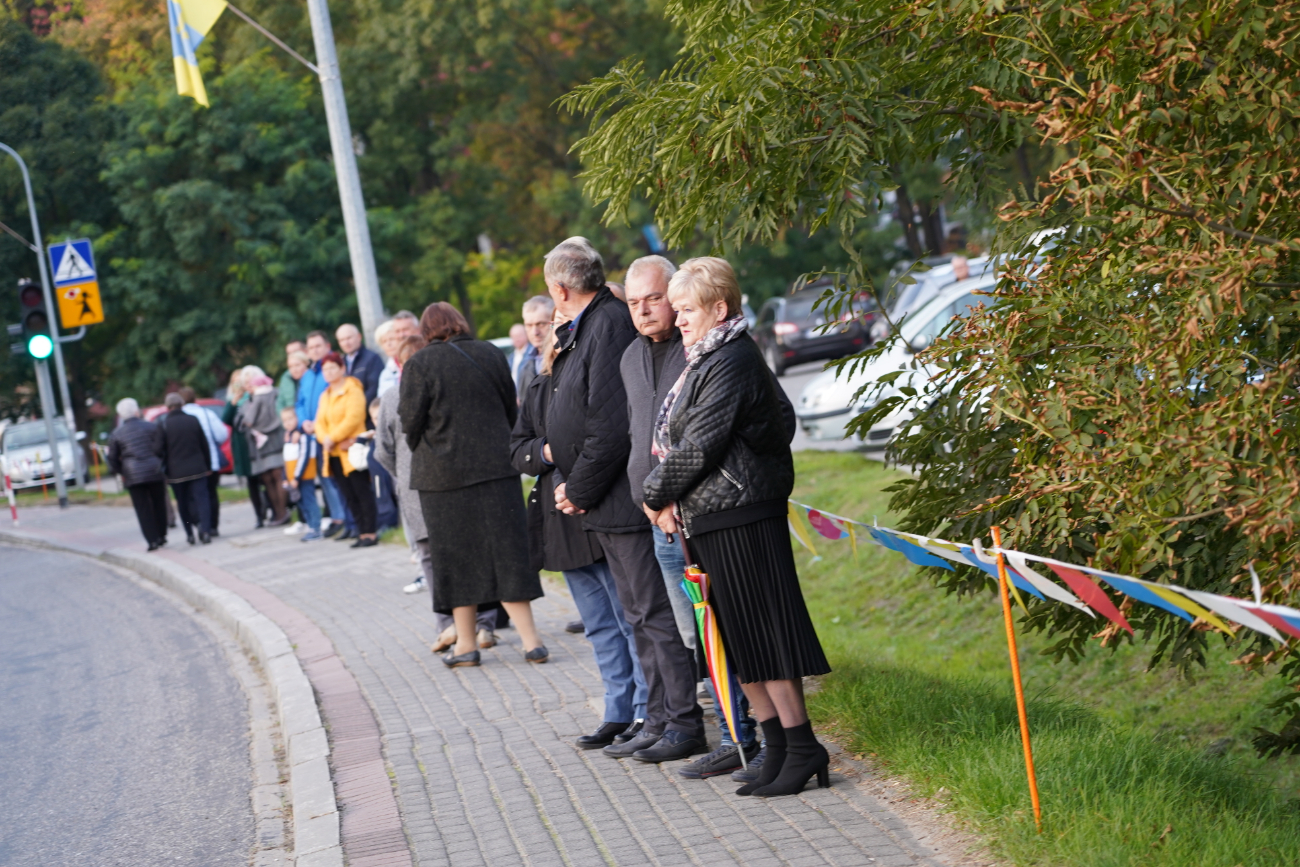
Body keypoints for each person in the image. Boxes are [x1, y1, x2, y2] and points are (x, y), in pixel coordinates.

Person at [644, 257, 832, 797]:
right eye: (675, 310)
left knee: (765, 636)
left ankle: (801, 747)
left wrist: (652, 494)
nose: (677, 320)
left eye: (686, 309)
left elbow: (701, 442)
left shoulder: (732, 358)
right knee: (737, 641)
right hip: (712, 514)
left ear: (719, 308)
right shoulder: (702, 358)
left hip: (742, 514)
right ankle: (777, 748)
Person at [544, 237, 704, 762]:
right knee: (638, 615)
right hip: (622, 500)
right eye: (635, 301)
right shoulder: (629, 343)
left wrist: (582, 486)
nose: (642, 311)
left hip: (641, 503)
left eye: (652, 300)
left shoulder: (609, 325)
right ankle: (656, 716)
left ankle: (682, 720)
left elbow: (610, 426)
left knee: (659, 616)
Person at [511, 317, 648, 747]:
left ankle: (646, 711)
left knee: (630, 620)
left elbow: (604, 435)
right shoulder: (536, 387)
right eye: (537, 326)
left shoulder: (589, 378)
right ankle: (617, 709)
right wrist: (548, 451)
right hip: (561, 519)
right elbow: (518, 449)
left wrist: (567, 453)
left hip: (602, 505)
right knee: (598, 625)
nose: (547, 333)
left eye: (551, 325)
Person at [399, 301, 546, 667]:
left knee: (455, 562)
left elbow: (409, 423)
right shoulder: (491, 353)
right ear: (459, 323)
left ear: (426, 330)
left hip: (442, 480)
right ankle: (532, 643)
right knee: (508, 555)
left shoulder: (419, 364)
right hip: (497, 471)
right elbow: (511, 411)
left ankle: (466, 645)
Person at [374, 333, 500, 643]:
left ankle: (447, 625)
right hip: (457, 485)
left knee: (430, 558)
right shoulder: (450, 390)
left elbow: (382, 451)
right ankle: (484, 623)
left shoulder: (392, 397)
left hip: (416, 489)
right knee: (473, 553)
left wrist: (402, 476)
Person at [315, 351, 378, 548]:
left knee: (361, 491)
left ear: (342, 368)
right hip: (333, 453)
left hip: (352, 449)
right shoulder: (325, 395)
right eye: (325, 369)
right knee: (348, 494)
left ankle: (371, 532)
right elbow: (319, 423)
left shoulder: (352, 388)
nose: (329, 372)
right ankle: (360, 532)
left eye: (333, 367)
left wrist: (332, 438)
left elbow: (354, 417)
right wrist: (325, 439)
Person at [297, 330, 354, 539]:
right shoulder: (307, 374)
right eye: (310, 348)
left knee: (335, 479)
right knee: (324, 478)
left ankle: (345, 518)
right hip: (312, 435)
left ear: (327, 346)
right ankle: (337, 518)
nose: (314, 351)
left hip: (331, 434)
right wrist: (304, 421)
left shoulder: (330, 371)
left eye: (318, 346)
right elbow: (300, 403)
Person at [106, 397, 168, 551]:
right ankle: (161, 534)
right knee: (159, 504)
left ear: (120, 415)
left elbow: (112, 458)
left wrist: (123, 471)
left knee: (142, 509)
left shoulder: (116, 434)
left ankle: (151, 540)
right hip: (154, 471)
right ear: (136, 411)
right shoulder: (151, 427)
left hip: (133, 475)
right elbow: (162, 448)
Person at [159, 392, 215, 544]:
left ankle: (189, 533)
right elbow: (204, 444)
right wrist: (208, 466)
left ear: (167, 407)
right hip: (198, 468)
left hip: (176, 473)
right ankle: (205, 531)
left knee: (182, 503)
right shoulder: (193, 420)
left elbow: (159, 450)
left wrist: (163, 470)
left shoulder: (163, 424)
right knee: (202, 500)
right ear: (182, 404)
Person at [238, 369, 290, 527]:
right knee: (274, 478)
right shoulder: (275, 393)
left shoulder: (252, 401)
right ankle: (280, 513)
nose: (249, 385)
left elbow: (245, 422)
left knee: (273, 479)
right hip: (271, 441)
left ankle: (281, 514)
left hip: (266, 443)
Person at [222, 370, 268, 528]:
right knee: (251, 482)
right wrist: (234, 401)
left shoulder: (253, 396)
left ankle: (270, 507)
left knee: (265, 478)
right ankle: (259, 515)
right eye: (235, 382)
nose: (239, 385)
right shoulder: (232, 401)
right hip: (242, 446)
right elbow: (225, 420)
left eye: (240, 381)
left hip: (256, 442)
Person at [179, 386, 227, 538]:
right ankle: (212, 526)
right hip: (210, 461)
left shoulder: (179, 417)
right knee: (211, 494)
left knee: (192, 497)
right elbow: (222, 434)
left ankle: (199, 522)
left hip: (186, 465)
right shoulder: (207, 413)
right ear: (195, 398)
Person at [281, 406, 324, 541]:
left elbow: (304, 458)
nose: (288, 423)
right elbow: (286, 460)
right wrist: (285, 477)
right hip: (292, 479)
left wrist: (297, 477)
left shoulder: (303, 436)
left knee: (309, 501)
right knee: (301, 504)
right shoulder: (288, 437)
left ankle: (316, 528)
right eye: (285, 420)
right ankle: (310, 526)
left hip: (303, 477)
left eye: (290, 419)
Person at [336, 323, 384, 406]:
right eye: (342, 340)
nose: (346, 343)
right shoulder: (340, 362)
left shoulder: (372, 358)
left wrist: (357, 408)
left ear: (359, 337)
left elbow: (373, 389)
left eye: (349, 338)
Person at [515, 295, 554, 396]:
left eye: (541, 324)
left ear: (553, 322)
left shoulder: (568, 359)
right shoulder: (525, 366)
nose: (535, 332)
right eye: (529, 325)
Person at [377, 311, 420, 397]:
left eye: (405, 330)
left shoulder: (425, 355)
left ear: (417, 330)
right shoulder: (390, 368)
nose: (401, 335)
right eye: (397, 331)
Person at [276, 340, 307, 414]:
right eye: (289, 353)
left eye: (296, 351)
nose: (292, 355)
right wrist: (287, 421)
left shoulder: (313, 374)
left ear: (305, 351)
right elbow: (280, 403)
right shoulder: (285, 377)